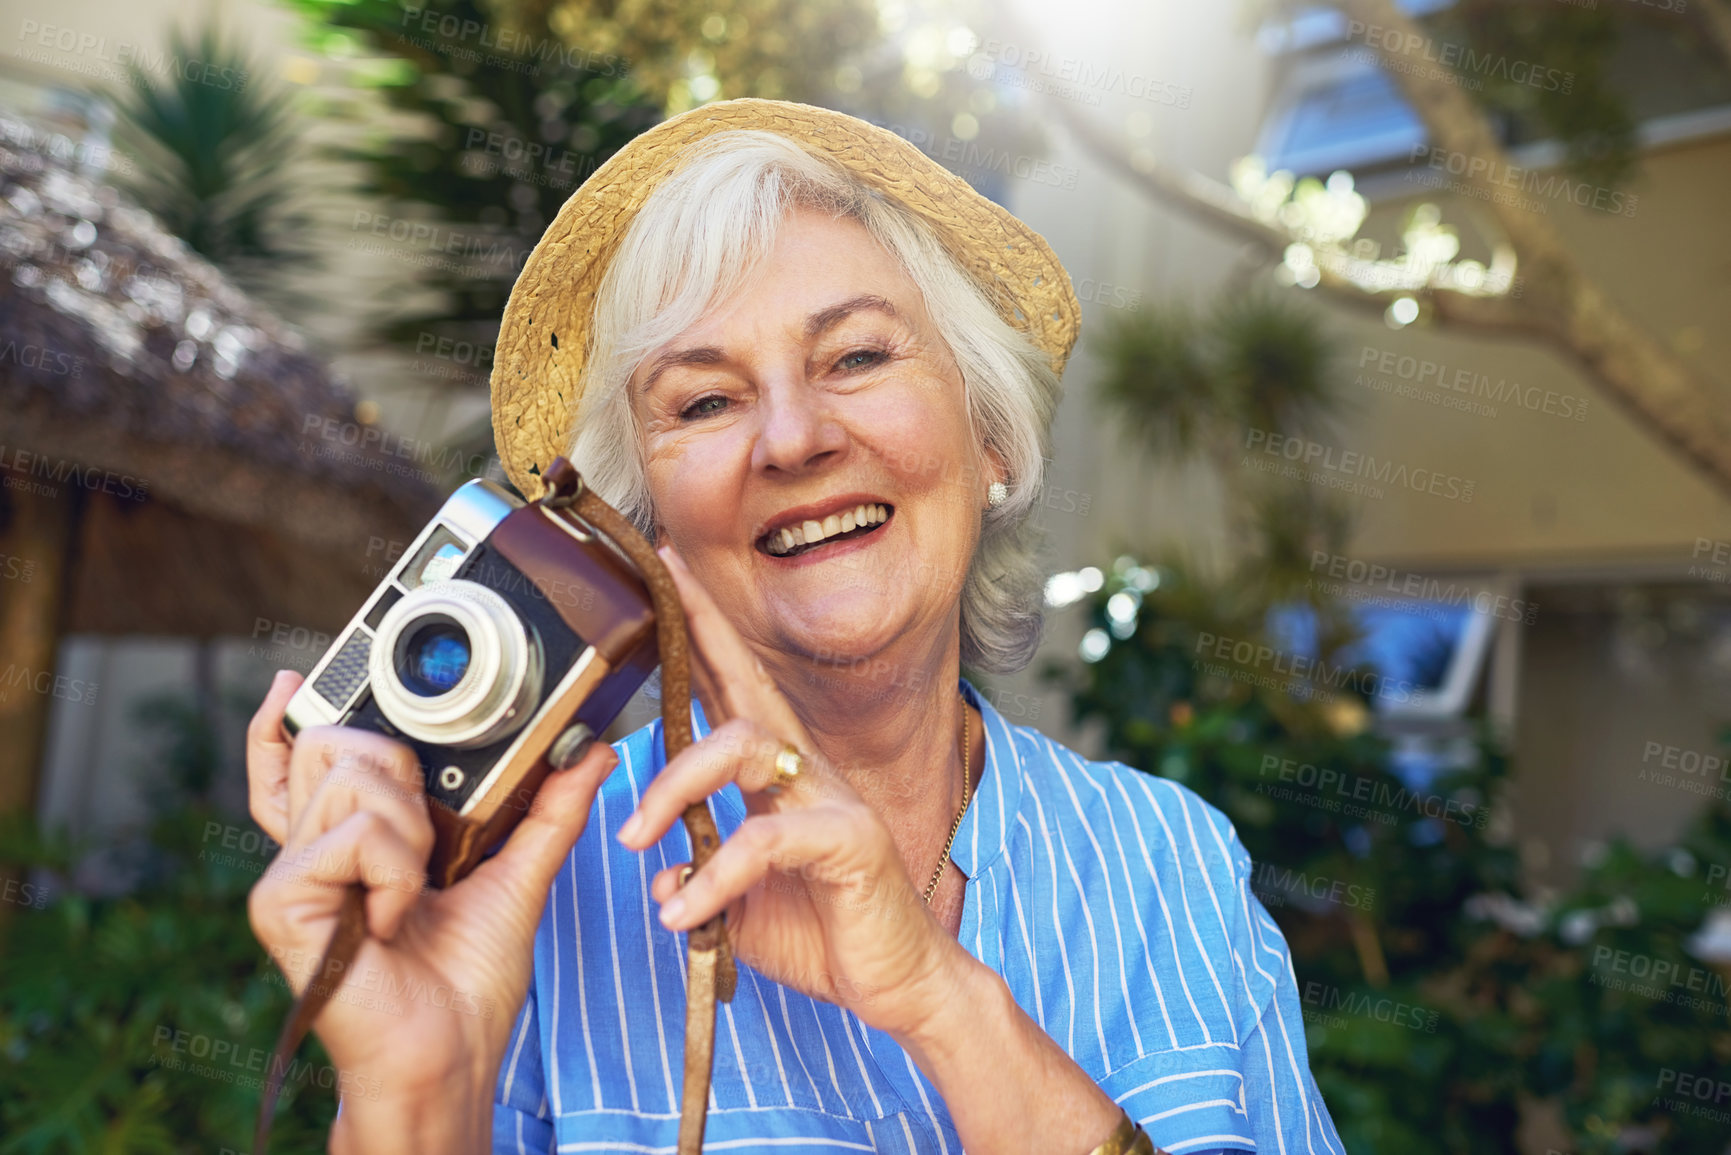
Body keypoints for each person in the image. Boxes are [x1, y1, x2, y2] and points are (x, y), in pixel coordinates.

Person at [245, 99, 1345, 1155]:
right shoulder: (525, 888)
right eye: (705, 401)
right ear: (641, 526)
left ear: (991, 437)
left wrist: (938, 998)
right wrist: (413, 1094)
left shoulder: (1173, 864)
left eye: (858, 357)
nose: (794, 438)